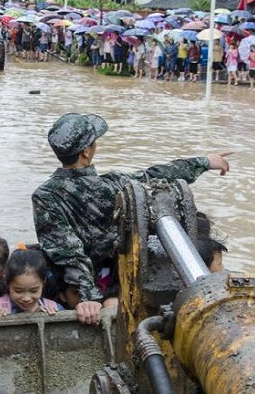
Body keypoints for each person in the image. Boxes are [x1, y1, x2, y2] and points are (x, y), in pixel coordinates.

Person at [32, 113, 233, 325]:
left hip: (70, 288)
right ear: (86, 151)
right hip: (113, 280)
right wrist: (204, 162)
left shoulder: (43, 196)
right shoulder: (114, 184)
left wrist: (88, 296)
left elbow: (66, 251)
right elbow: (156, 175)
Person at [0, 249, 62, 315]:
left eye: (34, 291)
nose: (26, 298)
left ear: (43, 283)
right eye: (18, 291)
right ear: (7, 283)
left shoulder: (53, 308)